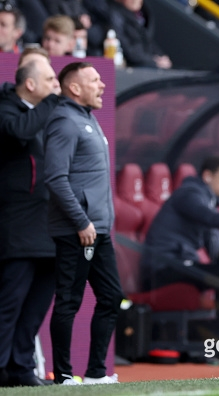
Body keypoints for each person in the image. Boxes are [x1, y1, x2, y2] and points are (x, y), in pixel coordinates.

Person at [44, 62, 123, 385]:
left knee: (111, 296)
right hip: (79, 231)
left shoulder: (86, 119)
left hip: (98, 230)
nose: (102, 85)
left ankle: (94, 375)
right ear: (74, 88)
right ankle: (63, 375)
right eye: (94, 80)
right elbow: (55, 178)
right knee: (69, 301)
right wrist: (81, 221)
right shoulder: (65, 121)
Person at [0, 49, 60, 388]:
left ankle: (20, 368)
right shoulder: (8, 109)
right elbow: (18, 132)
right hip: (16, 226)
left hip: (47, 226)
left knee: (36, 305)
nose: (56, 84)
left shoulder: (44, 114)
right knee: (9, 303)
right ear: (30, 83)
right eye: (51, 79)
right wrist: (52, 102)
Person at [140, 157, 219, 346]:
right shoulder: (189, 193)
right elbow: (209, 218)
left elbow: (217, 249)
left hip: (182, 266)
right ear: (207, 176)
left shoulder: (210, 199)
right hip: (162, 268)